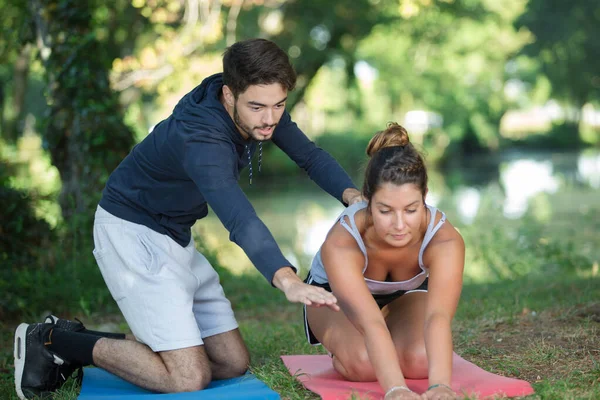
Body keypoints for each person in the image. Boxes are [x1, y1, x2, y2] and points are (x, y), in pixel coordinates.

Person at [13, 38, 362, 400]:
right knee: (187, 378)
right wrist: (287, 279)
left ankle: (86, 338)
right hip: (132, 233)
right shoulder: (202, 139)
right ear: (229, 95)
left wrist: (353, 197)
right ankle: (52, 340)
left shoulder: (255, 101)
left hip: (175, 235)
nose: (271, 118)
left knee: (230, 363)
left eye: (279, 105)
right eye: (258, 107)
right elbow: (239, 218)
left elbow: (310, 156)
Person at [303, 123, 465, 400]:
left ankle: (395, 336)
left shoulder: (444, 240)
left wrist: (440, 387)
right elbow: (369, 322)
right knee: (364, 365)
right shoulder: (343, 241)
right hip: (335, 299)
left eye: (411, 210)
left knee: (420, 361)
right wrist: (396, 389)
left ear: (425, 197)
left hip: (405, 297)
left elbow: (438, 317)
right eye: (386, 210)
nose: (400, 225)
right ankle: (342, 348)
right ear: (367, 199)